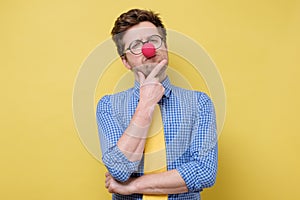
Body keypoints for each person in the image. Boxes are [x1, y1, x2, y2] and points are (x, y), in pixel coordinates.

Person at [96, 9, 218, 199]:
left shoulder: (200, 103)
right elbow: (119, 170)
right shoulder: (108, 106)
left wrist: (131, 186)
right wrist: (146, 102)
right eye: (135, 45)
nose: (148, 50)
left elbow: (204, 172)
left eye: (153, 40)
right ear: (126, 61)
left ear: (165, 46)